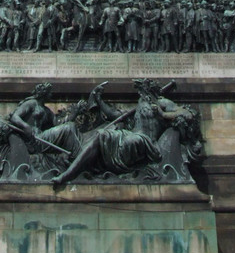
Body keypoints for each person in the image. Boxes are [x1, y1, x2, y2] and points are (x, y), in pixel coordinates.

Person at [53, 79, 191, 187]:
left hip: (145, 141)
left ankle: (68, 174)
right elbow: (114, 114)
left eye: (142, 90)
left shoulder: (162, 102)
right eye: (140, 91)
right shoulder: (140, 104)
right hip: (130, 135)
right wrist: (99, 100)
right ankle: (70, 171)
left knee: (104, 136)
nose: (141, 93)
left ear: (148, 89)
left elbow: (188, 114)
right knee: (100, 135)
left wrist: (162, 114)